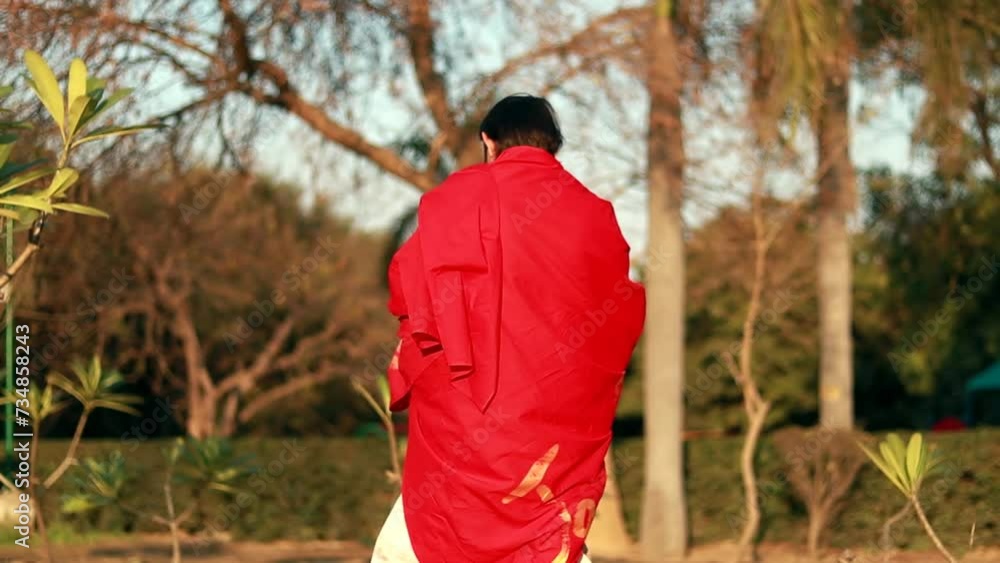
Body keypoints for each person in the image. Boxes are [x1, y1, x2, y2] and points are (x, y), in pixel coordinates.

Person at [372, 94, 645, 563]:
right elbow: (617, 313)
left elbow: (410, 286)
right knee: (547, 538)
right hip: (553, 426)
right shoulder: (594, 213)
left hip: (466, 414)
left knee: (413, 542)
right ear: (552, 144)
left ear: (488, 140)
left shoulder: (461, 195)